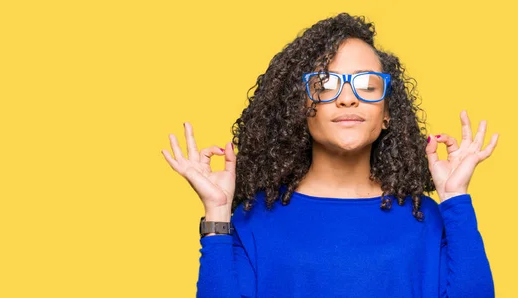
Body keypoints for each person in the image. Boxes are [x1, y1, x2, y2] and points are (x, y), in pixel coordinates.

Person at [161, 12, 498, 298]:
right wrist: (217, 213)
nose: (347, 98)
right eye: (325, 84)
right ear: (301, 107)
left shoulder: (427, 217)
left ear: (387, 114)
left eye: (367, 85)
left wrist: (455, 199)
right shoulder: (255, 222)